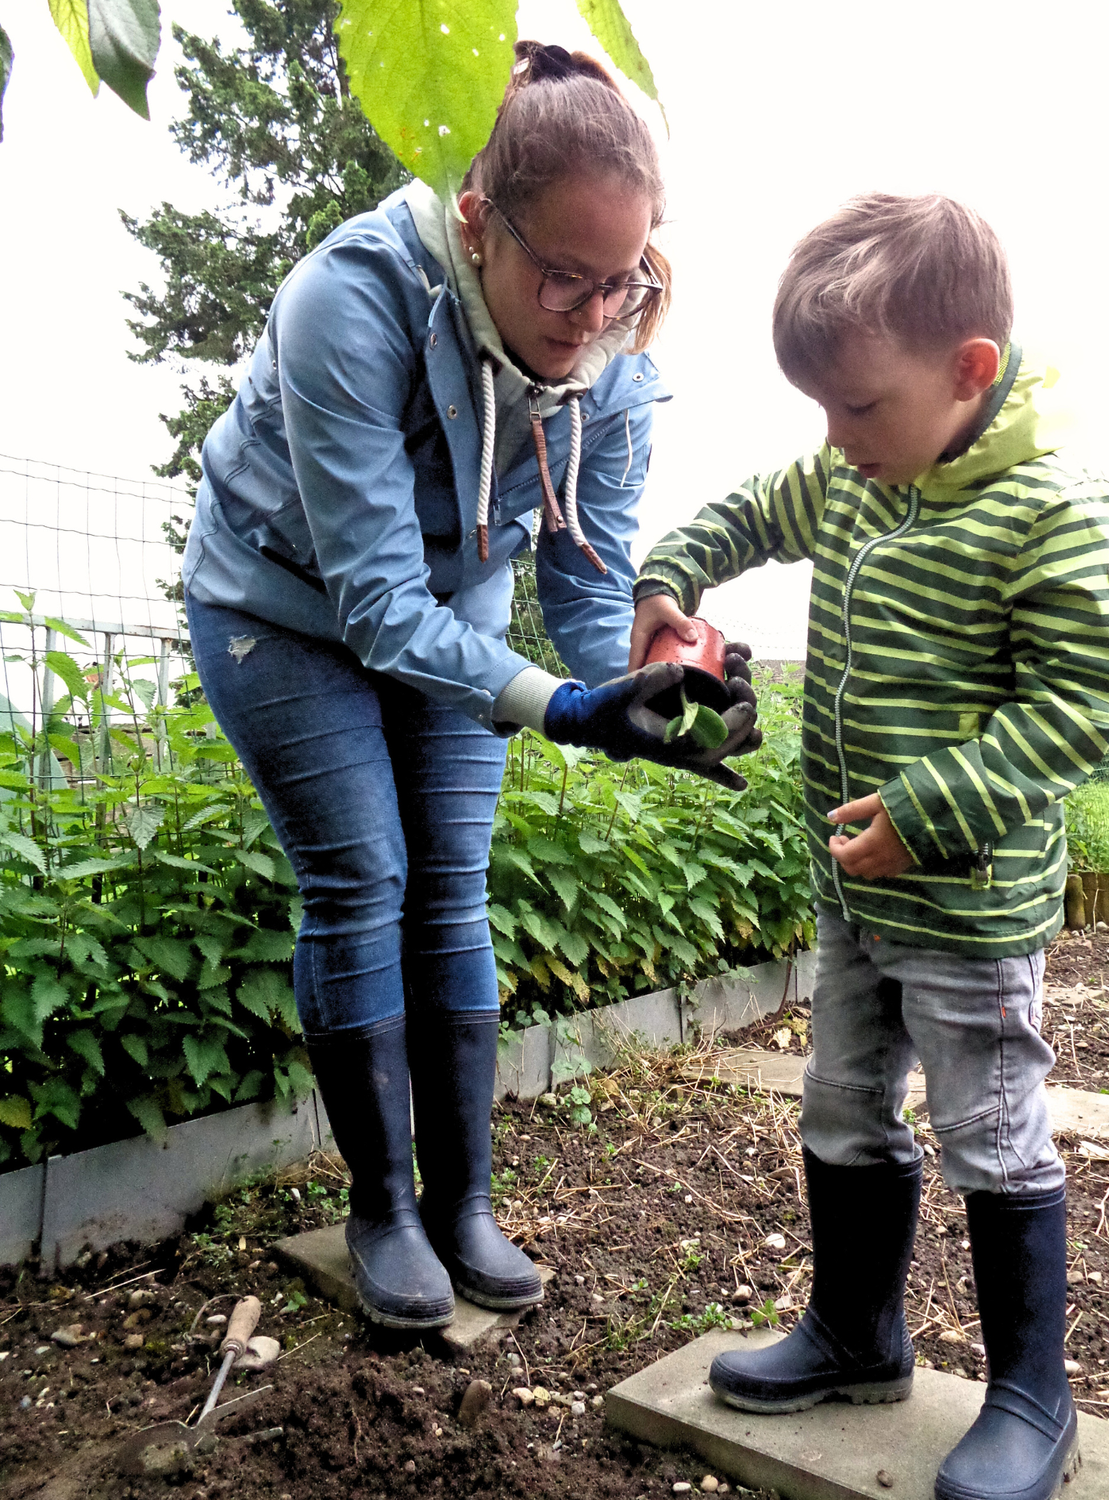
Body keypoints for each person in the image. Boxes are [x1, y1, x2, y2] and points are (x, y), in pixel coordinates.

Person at [182, 41, 758, 1333]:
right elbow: (376, 605)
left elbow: (589, 565)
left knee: (449, 880)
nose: (588, 311)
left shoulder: (614, 345)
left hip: (459, 610)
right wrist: (557, 706)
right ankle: (383, 1208)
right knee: (361, 874)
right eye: (562, 273)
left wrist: (647, 679)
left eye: (619, 281)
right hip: (277, 605)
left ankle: (464, 1203)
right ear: (477, 220)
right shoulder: (351, 299)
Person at [629, 194, 1109, 1500]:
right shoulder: (855, 468)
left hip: (965, 904)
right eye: (823, 414)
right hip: (853, 887)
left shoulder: (1055, 506)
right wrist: (668, 586)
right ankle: (859, 1334)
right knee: (844, 1105)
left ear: (969, 373)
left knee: (991, 1125)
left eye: (859, 410)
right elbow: (750, 510)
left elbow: (1083, 713)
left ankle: (1036, 1393)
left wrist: (934, 816)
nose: (834, 444)